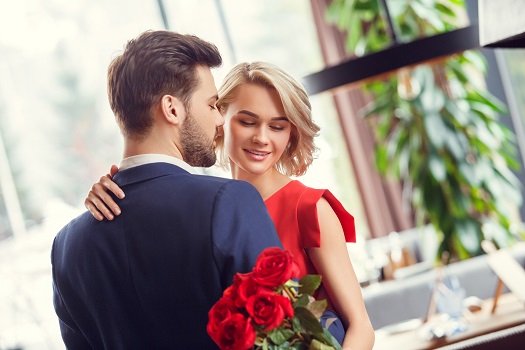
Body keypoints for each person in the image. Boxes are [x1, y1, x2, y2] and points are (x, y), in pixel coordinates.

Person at [86, 62, 375, 349]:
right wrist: (119, 188)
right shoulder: (205, 206)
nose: (262, 138)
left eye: (277, 126)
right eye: (247, 121)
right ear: (220, 119)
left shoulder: (310, 208)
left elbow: (361, 328)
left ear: (290, 136)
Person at [51, 31, 283, 350]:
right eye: (213, 105)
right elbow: (286, 336)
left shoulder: (66, 246)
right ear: (172, 109)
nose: (219, 120)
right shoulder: (229, 203)